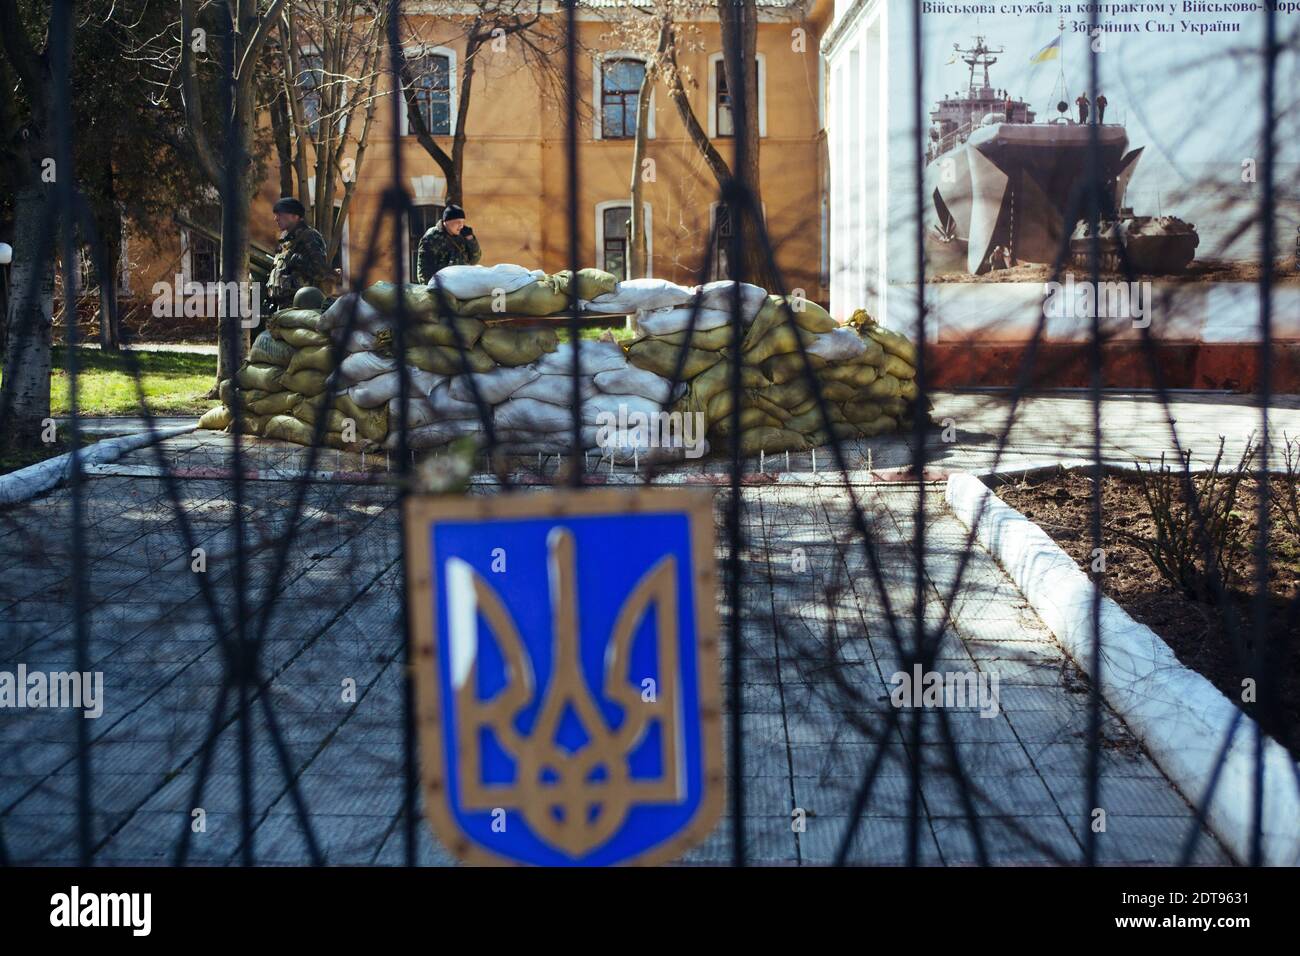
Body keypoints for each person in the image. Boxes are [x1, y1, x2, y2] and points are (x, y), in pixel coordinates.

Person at [267, 197, 329, 311]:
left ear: (294, 216)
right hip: (282, 307)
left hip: (303, 306)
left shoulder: (309, 236)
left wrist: (299, 261)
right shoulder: (285, 241)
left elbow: (321, 272)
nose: (276, 219)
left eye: (280, 214)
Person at [417, 203, 482, 284]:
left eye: (463, 222)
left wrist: (470, 239)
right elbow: (423, 272)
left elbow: (474, 260)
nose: (461, 226)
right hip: (441, 287)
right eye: (458, 222)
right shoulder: (431, 237)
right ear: (447, 221)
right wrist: (434, 289)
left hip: (463, 284)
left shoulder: (464, 234)